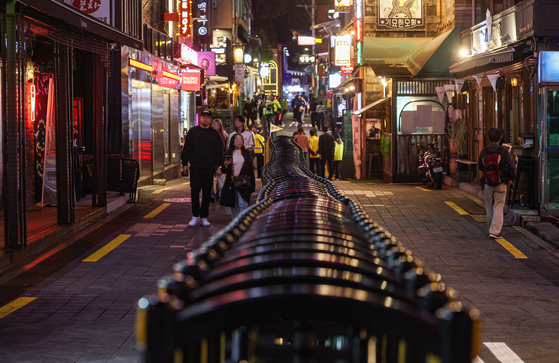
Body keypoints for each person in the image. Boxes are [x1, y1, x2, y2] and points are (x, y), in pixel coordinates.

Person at [181, 109, 224, 227]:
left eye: (207, 117)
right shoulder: (193, 132)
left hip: (209, 167)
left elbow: (219, 152)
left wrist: (218, 166)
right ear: (200, 118)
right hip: (195, 167)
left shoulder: (214, 134)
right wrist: (184, 163)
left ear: (210, 119)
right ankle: (195, 215)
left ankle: (204, 216)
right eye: (203, 116)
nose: (205, 119)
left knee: (206, 193)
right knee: (194, 191)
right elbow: (187, 149)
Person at [477, 127, 515, 239]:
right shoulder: (503, 151)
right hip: (501, 183)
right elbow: (512, 166)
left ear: (488, 138)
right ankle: (494, 231)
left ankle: (490, 229)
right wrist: (511, 178)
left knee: (489, 207)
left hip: (487, 183)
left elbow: (480, 166)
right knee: (498, 206)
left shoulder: (483, 151)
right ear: (501, 138)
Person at [219, 133, 256, 220]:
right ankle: (235, 223)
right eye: (237, 140)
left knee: (243, 204)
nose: (240, 142)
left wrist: (252, 185)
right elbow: (224, 170)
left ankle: (243, 222)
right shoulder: (228, 153)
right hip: (231, 183)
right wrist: (225, 165)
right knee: (234, 205)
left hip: (243, 182)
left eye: (241, 140)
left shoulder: (246, 153)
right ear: (233, 142)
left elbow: (251, 170)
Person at [211, 119, 228, 202]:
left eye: (218, 125)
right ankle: (211, 194)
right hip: (210, 159)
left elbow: (226, 147)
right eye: (215, 124)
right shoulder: (209, 133)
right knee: (210, 177)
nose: (217, 126)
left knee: (219, 176)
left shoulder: (224, 134)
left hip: (220, 158)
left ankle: (218, 193)